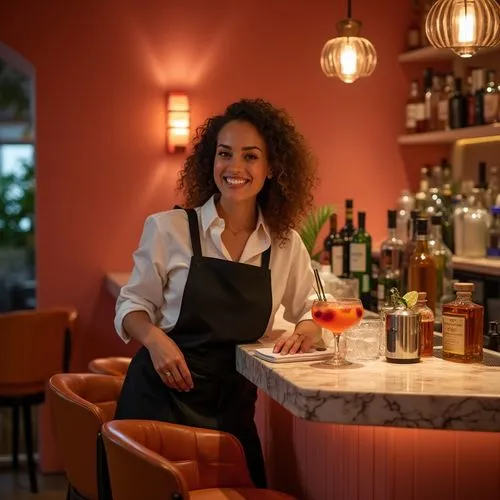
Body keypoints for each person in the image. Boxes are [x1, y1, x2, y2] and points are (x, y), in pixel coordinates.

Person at [113, 98, 321, 488]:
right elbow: (131, 305)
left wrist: (306, 331)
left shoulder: (284, 244)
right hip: (158, 404)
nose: (235, 167)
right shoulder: (168, 228)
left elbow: (310, 308)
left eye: (251, 156)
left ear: (272, 167)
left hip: (231, 413)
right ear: (211, 161)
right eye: (225, 154)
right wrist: (155, 340)